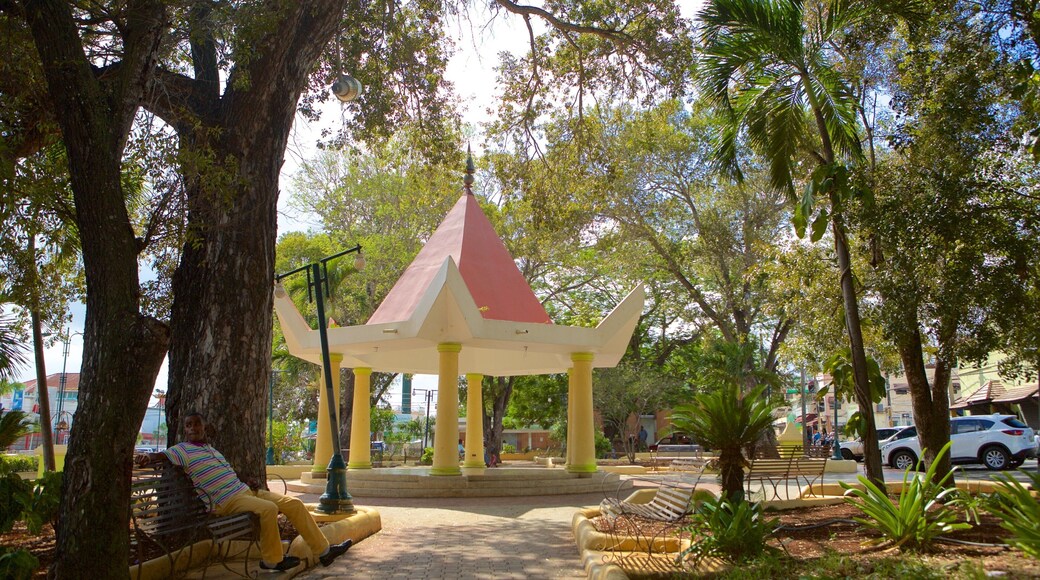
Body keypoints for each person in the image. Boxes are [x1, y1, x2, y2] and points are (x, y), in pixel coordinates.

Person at [135, 412, 352, 572]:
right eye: (188, 425)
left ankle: (324, 552)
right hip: (224, 501)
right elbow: (160, 456)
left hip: (245, 491)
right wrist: (147, 458)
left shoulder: (212, 450)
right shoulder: (181, 450)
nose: (192, 428)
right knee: (269, 509)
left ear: (204, 427)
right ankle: (271, 561)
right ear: (185, 429)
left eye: (196, 424)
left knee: (294, 504)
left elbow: (229, 471)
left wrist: (246, 480)